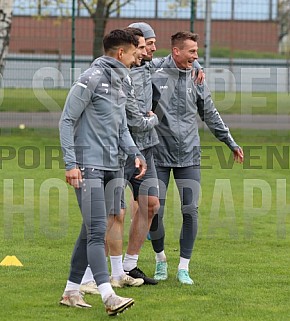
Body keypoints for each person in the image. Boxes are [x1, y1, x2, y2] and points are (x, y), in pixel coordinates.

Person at [59, 29, 146, 316]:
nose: (138, 58)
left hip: (113, 167)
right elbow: (67, 119)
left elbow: (121, 127)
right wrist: (71, 163)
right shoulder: (91, 77)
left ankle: (71, 291)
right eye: (135, 53)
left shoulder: (122, 82)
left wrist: (135, 153)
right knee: (97, 231)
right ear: (121, 53)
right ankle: (108, 296)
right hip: (88, 166)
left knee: (90, 230)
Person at [149, 31, 244, 284]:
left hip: (189, 154)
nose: (196, 56)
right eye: (192, 52)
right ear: (176, 51)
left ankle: (183, 268)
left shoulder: (196, 77)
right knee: (153, 209)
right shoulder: (155, 72)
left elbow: (210, 113)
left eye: (197, 53)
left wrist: (229, 141)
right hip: (157, 153)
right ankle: (160, 261)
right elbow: (141, 62)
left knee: (190, 210)